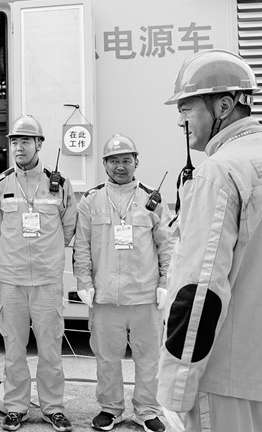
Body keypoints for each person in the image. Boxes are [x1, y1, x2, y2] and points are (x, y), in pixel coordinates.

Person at [158, 49, 262, 432]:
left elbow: (199, 292)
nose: (180, 120)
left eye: (186, 108)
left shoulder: (219, 172)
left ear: (224, 105)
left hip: (226, 378)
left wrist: (176, 390)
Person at [73, 134, 173, 432]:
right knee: (107, 358)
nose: (120, 166)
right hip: (105, 296)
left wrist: (166, 281)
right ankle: (110, 408)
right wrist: (83, 281)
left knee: (148, 358)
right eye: (114, 161)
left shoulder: (151, 200)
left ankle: (147, 410)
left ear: (136, 162)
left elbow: (166, 245)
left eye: (126, 160)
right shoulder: (91, 200)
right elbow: (82, 245)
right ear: (104, 164)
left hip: (145, 296)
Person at [0, 115, 77, 432]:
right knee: (14, 348)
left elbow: (69, 228)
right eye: (15, 141)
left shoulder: (60, 185)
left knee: (50, 349)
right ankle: (16, 407)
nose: (19, 147)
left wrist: (47, 254)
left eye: (25, 141)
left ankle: (53, 408)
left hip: (46, 280)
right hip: (12, 280)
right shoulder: (1, 184)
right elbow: (1, 228)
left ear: (39, 144)